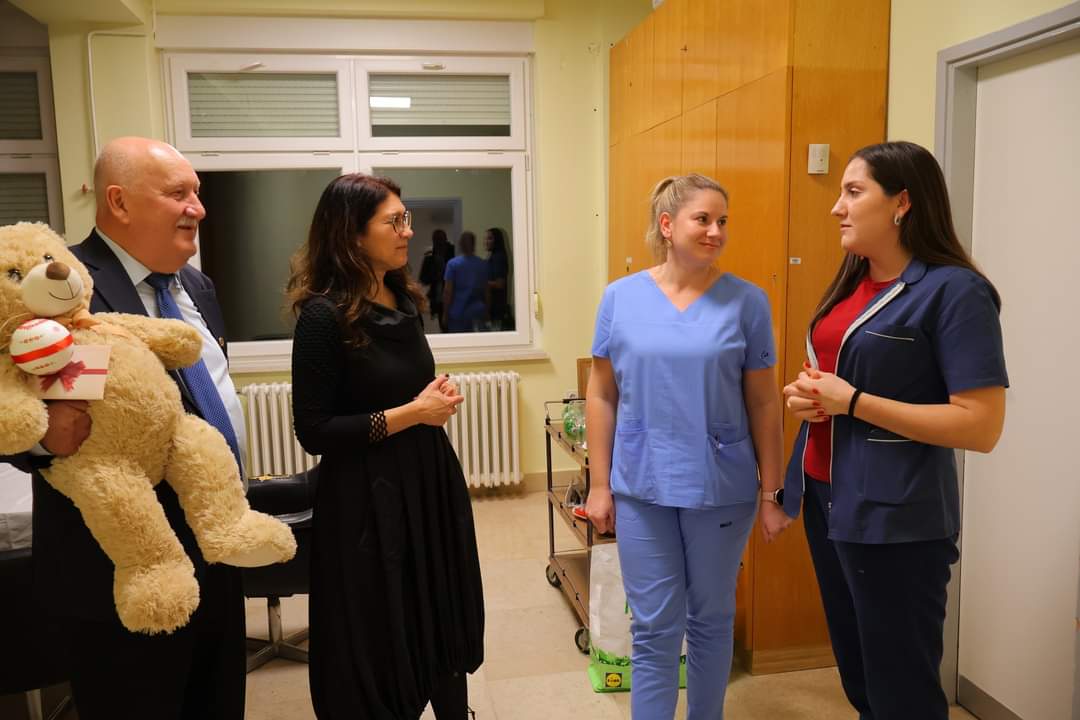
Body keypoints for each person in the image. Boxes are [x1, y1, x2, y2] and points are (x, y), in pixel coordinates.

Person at [0, 137, 249, 719]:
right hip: (114, 569)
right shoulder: (54, 282)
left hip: (214, 546)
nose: (197, 208)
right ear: (119, 201)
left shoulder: (198, 288)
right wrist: (41, 437)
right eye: (178, 194)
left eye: (197, 193)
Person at [780, 141, 1008, 720]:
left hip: (897, 519)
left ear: (902, 203)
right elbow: (840, 376)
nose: (837, 207)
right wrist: (810, 398)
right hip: (827, 499)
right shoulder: (852, 281)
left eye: (853, 192)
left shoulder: (955, 292)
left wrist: (853, 402)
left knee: (902, 692)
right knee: (860, 678)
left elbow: (980, 426)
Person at [585, 174, 787, 720]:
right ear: (667, 225)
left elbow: (764, 403)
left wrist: (772, 492)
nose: (716, 231)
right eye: (703, 219)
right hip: (641, 484)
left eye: (723, 221)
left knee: (711, 620)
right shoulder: (620, 298)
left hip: (720, 486)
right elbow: (601, 394)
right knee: (653, 626)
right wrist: (599, 485)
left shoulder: (747, 301)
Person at [287, 173, 484, 719]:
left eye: (406, 218)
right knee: (383, 625)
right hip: (367, 499)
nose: (408, 231)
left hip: (427, 479)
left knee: (437, 608)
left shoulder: (404, 297)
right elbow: (315, 430)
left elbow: (400, 388)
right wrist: (413, 412)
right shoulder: (323, 316)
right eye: (393, 221)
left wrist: (430, 397)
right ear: (352, 234)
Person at [441, 231, 488, 333]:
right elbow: (486, 291)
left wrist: (445, 314)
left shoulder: (453, 264)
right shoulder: (482, 264)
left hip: (458, 313)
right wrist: (487, 311)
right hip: (478, 312)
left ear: (460, 245)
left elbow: (448, 292)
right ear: (474, 245)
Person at [418, 229, 450, 329]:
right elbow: (423, 279)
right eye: (437, 240)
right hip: (438, 295)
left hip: (449, 294)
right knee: (443, 326)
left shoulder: (452, 253)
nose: (439, 243)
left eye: (441, 240)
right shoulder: (430, 257)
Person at [484, 227, 511, 330]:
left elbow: (500, 284)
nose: (486, 242)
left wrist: (480, 283)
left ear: (497, 240)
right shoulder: (493, 256)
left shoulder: (498, 258)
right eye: (485, 238)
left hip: (496, 309)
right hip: (492, 308)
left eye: (490, 238)